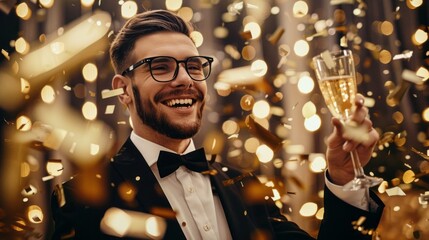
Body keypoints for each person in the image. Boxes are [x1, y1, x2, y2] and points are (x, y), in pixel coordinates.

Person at [50, 9, 384, 240]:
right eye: (161, 67)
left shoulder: (244, 186)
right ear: (123, 89)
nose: (185, 80)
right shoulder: (81, 198)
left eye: (193, 66)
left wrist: (343, 177)